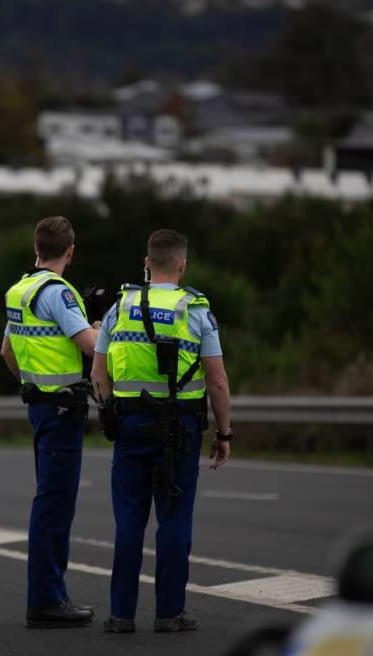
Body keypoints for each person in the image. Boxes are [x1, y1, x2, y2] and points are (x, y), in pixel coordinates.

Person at [91, 228, 233, 633]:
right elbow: (218, 382)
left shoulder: (120, 307)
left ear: (147, 263)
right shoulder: (196, 311)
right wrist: (224, 435)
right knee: (174, 519)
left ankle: (121, 615)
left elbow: (98, 373)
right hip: (181, 428)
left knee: (129, 521)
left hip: (130, 425)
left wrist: (107, 413)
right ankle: (170, 614)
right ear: (183, 265)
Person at [0, 215, 99, 628]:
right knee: (55, 505)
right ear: (70, 250)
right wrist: (100, 327)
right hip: (61, 410)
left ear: (36, 247)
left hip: (40, 406)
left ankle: (49, 595)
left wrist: (33, 384)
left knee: (49, 499)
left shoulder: (19, 289)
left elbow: (6, 352)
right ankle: (46, 600)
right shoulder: (59, 293)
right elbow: (90, 347)